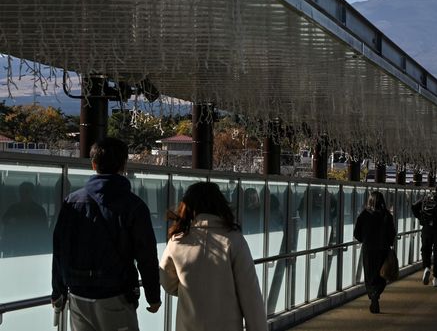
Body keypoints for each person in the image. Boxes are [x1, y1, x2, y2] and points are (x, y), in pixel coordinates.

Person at [52, 138, 161, 331]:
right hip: (115, 295)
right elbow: (146, 255)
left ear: (94, 165)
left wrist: (58, 290)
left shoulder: (72, 201)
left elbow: (60, 249)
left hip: (78, 294)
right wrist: (153, 296)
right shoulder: (134, 206)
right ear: (123, 165)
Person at [160, 182, 267, 331]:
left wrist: (191, 290)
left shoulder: (177, 241)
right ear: (220, 206)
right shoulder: (234, 240)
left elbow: (168, 283)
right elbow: (250, 295)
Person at [353, 191, 396, 313]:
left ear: (370, 200)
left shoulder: (363, 215)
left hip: (368, 250)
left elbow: (357, 233)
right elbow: (392, 233)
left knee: (369, 275)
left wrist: (365, 240)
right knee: (382, 274)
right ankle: (377, 293)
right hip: (383, 249)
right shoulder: (387, 215)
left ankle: (373, 295)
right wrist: (389, 243)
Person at [1, 181, 48, 256]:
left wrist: (44, 249)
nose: (24, 194)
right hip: (17, 247)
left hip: (34, 248)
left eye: (26, 192)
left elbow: (44, 231)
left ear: (32, 193)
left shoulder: (39, 210)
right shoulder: (14, 208)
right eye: (22, 191)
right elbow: (4, 220)